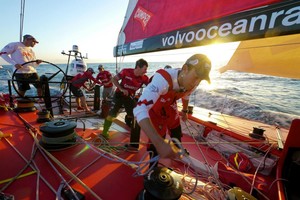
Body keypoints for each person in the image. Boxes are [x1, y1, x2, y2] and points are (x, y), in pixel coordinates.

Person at [133, 54, 211, 161]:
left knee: (176, 128)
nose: (197, 83)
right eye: (196, 77)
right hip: (156, 107)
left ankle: (177, 150)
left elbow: (186, 95)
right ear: (185, 69)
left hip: (170, 104)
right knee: (158, 137)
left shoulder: (192, 83)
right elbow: (140, 108)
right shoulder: (162, 79)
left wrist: (184, 111)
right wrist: (160, 143)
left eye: (201, 79)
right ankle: (152, 169)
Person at [101, 59, 149, 139]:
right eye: (144, 69)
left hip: (130, 97)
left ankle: (128, 122)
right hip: (119, 95)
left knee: (133, 114)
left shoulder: (145, 78)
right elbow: (114, 79)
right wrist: (121, 89)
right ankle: (105, 132)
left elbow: (151, 86)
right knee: (112, 114)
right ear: (138, 67)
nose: (146, 71)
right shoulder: (126, 71)